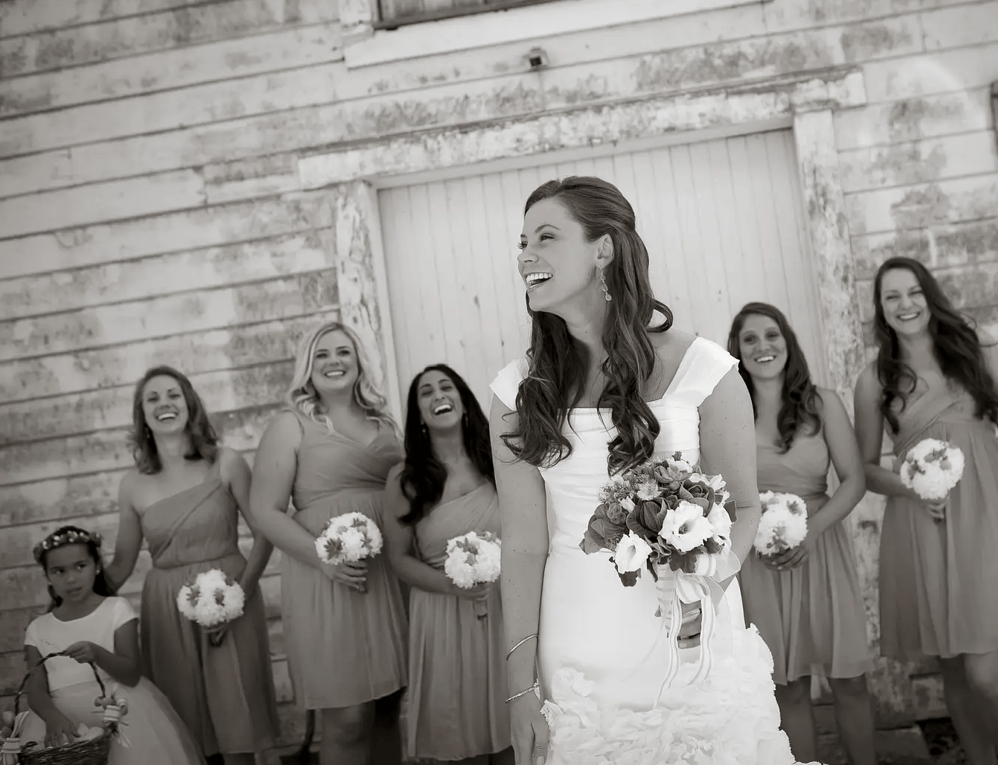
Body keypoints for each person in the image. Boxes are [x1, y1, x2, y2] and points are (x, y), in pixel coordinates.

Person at [488, 176, 797, 765]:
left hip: (689, 639)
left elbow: (745, 509)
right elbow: (524, 546)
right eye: (521, 241)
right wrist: (519, 688)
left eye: (546, 237)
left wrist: (703, 590)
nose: (525, 255)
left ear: (602, 249)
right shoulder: (517, 391)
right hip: (579, 648)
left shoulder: (705, 370)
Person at [852, 257, 998, 765]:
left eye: (913, 292)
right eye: (892, 297)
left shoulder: (972, 350)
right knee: (953, 668)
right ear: (881, 310)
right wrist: (913, 490)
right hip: (924, 519)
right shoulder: (874, 380)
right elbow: (866, 469)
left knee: (986, 672)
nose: (905, 304)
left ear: (929, 295)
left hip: (990, 509)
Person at [249, 322, 407, 765]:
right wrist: (325, 559)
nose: (334, 361)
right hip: (326, 577)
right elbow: (265, 510)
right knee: (348, 717)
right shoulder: (291, 425)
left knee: (388, 710)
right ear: (307, 367)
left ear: (359, 363)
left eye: (343, 352)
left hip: (386, 576)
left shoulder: (385, 422)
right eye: (322, 354)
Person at [105, 365, 278, 763]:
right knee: (185, 730)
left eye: (173, 395)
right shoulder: (133, 484)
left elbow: (266, 533)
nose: (164, 404)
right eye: (153, 398)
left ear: (189, 404)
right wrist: (70, 605)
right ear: (143, 416)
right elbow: (122, 563)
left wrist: (239, 595)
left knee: (238, 728)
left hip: (229, 598)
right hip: (167, 612)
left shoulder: (226, 463)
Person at [728, 303, 875, 764]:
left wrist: (811, 533)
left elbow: (853, 480)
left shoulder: (822, 402)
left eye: (771, 335)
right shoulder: (727, 411)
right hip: (760, 559)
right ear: (737, 351)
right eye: (749, 339)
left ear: (788, 341)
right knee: (786, 687)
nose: (762, 346)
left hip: (821, 548)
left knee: (849, 681)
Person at [384, 364, 513, 764]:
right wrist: (451, 586)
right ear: (418, 414)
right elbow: (399, 559)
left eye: (446, 387)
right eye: (426, 392)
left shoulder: (499, 459)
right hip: (442, 614)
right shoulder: (405, 480)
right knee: (460, 738)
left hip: (505, 607)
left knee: (514, 731)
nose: (438, 395)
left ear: (462, 399)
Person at [18, 525, 206, 764]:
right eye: (59, 571)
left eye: (80, 566)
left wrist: (98, 653)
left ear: (96, 566)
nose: (71, 578)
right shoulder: (38, 628)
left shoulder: (116, 609)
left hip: (118, 707)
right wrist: (52, 717)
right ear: (47, 576)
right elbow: (35, 690)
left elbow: (131, 675)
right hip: (62, 717)